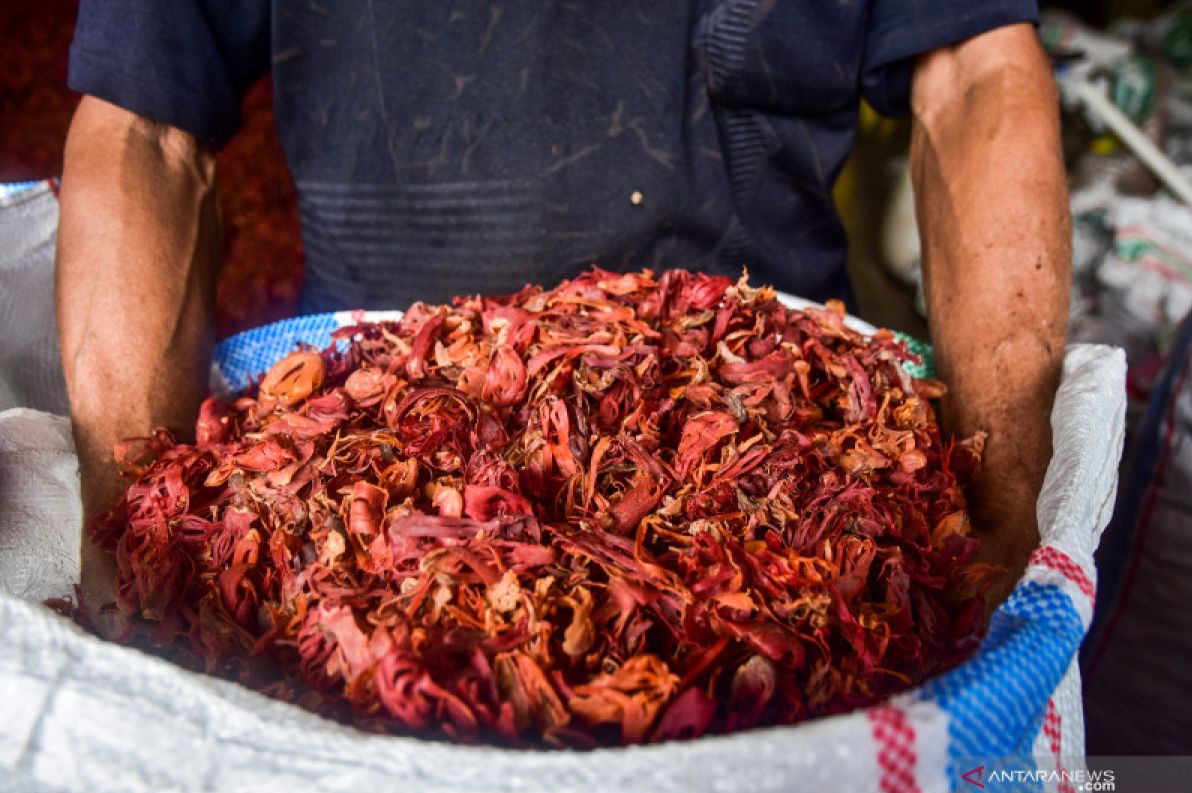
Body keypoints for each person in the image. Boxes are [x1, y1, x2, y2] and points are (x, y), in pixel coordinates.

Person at [57, 1, 1070, 630]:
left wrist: (1005, 489)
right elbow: (143, 123)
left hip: (780, 411)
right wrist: (128, 521)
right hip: (372, 411)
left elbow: (976, 73)